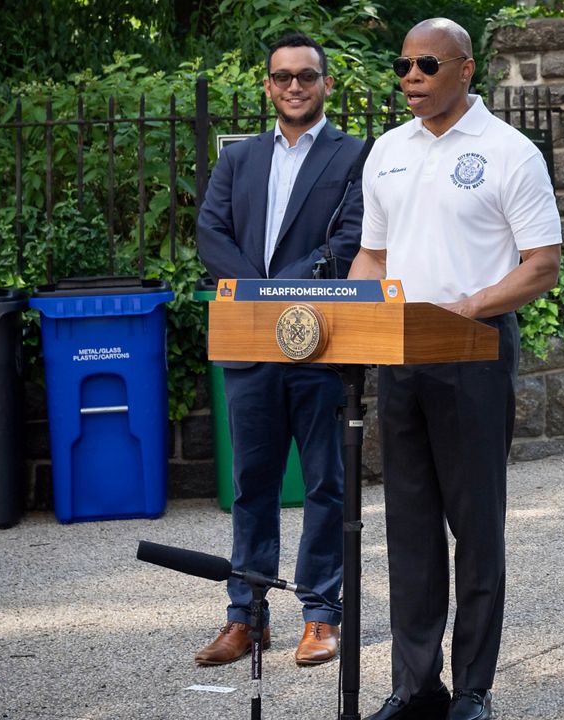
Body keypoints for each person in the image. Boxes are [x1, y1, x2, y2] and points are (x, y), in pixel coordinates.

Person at [348, 18, 562, 720]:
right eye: (403, 65)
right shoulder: (386, 151)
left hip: (473, 354)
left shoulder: (510, 152)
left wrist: (467, 307)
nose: (411, 77)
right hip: (402, 356)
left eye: (426, 65)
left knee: (476, 527)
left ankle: (472, 689)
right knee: (408, 529)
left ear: (465, 69)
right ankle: (416, 686)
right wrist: (352, 311)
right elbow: (373, 258)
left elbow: (541, 265)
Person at [195, 32, 364, 668]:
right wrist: (256, 297)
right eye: (283, 76)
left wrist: (277, 292)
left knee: (325, 483)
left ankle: (321, 616)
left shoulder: (354, 155)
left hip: (322, 340)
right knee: (252, 484)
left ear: (325, 84)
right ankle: (246, 617)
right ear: (267, 86)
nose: (295, 86)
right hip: (249, 345)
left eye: (307, 76)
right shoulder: (238, 159)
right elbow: (210, 232)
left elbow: (350, 240)